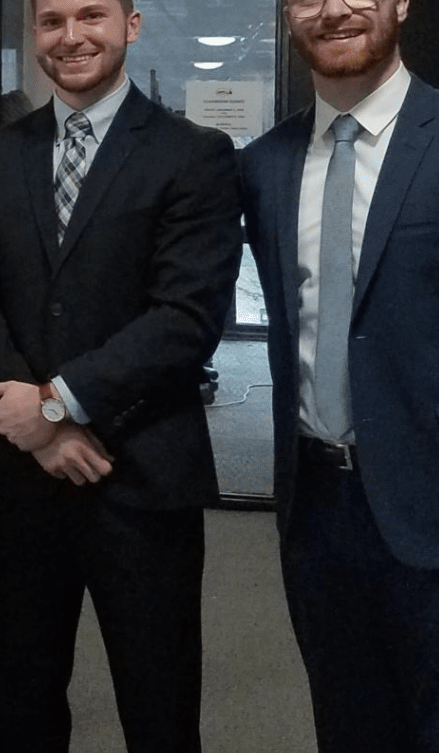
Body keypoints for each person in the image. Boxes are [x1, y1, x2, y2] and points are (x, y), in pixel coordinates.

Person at [0, 0, 242, 750]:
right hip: (20, 476)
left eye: (90, 16)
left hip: (139, 469)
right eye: (50, 21)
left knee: (158, 697)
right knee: (19, 691)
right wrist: (31, 421)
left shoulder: (193, 153)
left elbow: (186, 313)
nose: (69, 36)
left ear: (130, 26)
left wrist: (56, 404)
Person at [241, 0, 439, 749]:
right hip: (317, 509)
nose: (333, 10)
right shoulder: (264, 165)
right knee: (346, 721)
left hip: (427, 498)